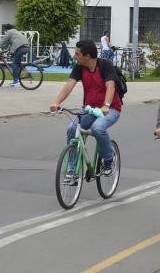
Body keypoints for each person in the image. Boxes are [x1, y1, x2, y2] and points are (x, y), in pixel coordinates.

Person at [48, 39, 122, 177]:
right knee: (72, 129)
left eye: (77, 54)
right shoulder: (79, 67)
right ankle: (73, 167)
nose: (75, 56)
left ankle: (109, 159)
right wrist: (56, 102)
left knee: (98, 128)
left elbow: (110, 86)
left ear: (87, 56)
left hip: (111, 109)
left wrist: (106, 106)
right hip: (89, 109)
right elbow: (70, 84)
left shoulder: (105, 65)